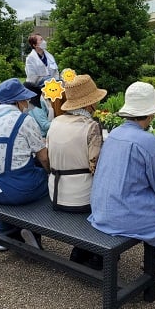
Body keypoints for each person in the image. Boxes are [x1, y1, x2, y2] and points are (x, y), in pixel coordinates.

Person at [88, 81, 155, 309]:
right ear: (150, 114)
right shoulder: (148, 141)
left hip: (101, 211)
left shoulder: (114, 134)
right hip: (126, 216)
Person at [0, 78, 50, 251]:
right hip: (18, 190)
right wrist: (50, 172)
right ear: (17, 101)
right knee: (46, 179)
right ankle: (31, 231)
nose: (27, 103)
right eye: (25, 99)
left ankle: (6, 233)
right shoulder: (24, 120)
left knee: (7, 178)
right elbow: (44, 157)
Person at [46, 74, 107, 268]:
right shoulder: (91, 127)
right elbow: (97, 169)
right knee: (108, 194)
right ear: (90, 105)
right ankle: (97, 253)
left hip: (55, 192)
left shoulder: (55, 122)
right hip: (80, 198)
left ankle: (80, 249)